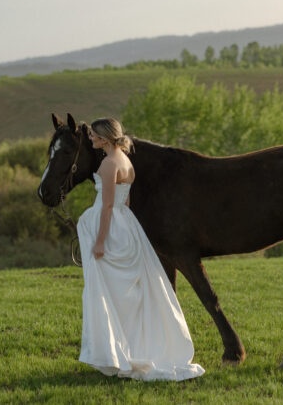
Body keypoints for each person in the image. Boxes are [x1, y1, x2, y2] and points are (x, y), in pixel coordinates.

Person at [77, 117, 204, 381]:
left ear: (103, 138)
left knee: (111, 293)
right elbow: (127, 201)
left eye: (93, 136)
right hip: (127, 226)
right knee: (127, 296)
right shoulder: (126, 161)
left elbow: (108, 205)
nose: (90, 139)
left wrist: (100, 240)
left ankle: (122, 352)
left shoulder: (109, 163)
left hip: (112, 229)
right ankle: (127, 348)